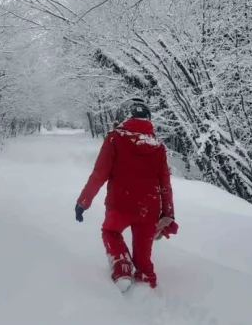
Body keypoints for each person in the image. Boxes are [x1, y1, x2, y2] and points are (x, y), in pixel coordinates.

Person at [74, 98, 177, 291]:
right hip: (149, 208)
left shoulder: (114, 138)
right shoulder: (158, 145)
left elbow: (99, 174)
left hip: (120, 204)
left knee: (110, 232)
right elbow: (165, 184)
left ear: (126, 117)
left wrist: (83, 202)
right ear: (148, 118)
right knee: (143, 258)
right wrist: (168, 213)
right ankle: (147, 285)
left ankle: (121, 269)